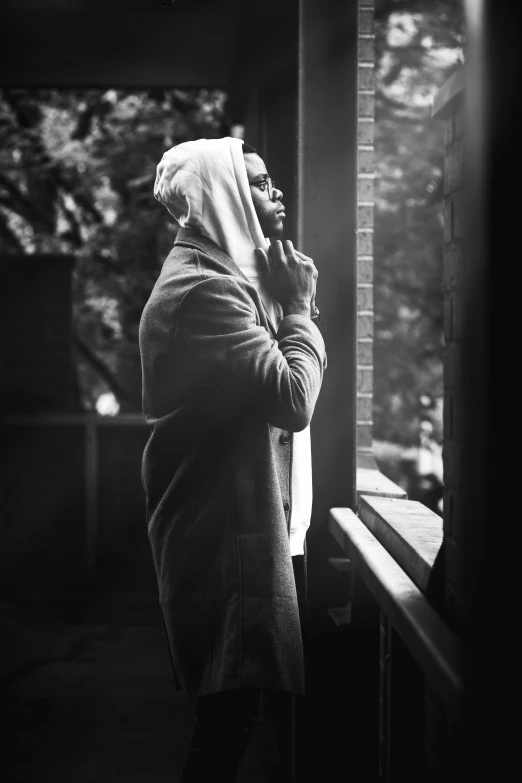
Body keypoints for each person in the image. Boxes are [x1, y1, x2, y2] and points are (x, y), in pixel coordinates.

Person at [139, 137, 326, 781]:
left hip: (232, 521)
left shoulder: (229, 282)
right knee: (231, 715)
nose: (276, 193)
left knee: (235, 710)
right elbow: (293, 399)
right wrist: (299, 307)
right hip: (221, 531)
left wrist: (288, 300)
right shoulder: (205, 294)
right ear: (221, 194)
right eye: (260, 183)